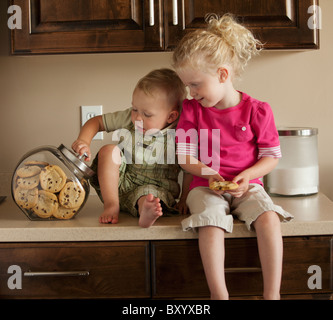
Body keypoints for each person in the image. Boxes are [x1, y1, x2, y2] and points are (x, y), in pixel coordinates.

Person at [172, 14, 293, 300]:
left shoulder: (257, 110)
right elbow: (184, 157)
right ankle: (219, 295)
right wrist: (209, 174)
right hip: (204, 186)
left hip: (248, 186)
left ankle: (272, 295)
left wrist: (248, 176)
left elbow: (271, 157)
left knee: (269, 218)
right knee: (210, 220)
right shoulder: (192, 110)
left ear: (222, 75)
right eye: (188, 86)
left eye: (196, 84)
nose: (191, 93)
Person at [72, 68, 190, 227]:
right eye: (135, 109)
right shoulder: (130, 117)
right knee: (109, 150)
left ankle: (146, 212)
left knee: (148, 196)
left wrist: (184, 199)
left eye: (147, 114)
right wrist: (83, 141)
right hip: (119, 185)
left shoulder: (181, 133)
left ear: (171, 116)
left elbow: (189, 169)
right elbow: (97, 122)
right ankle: (111, 205)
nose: (137, 117)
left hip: (156, 190)